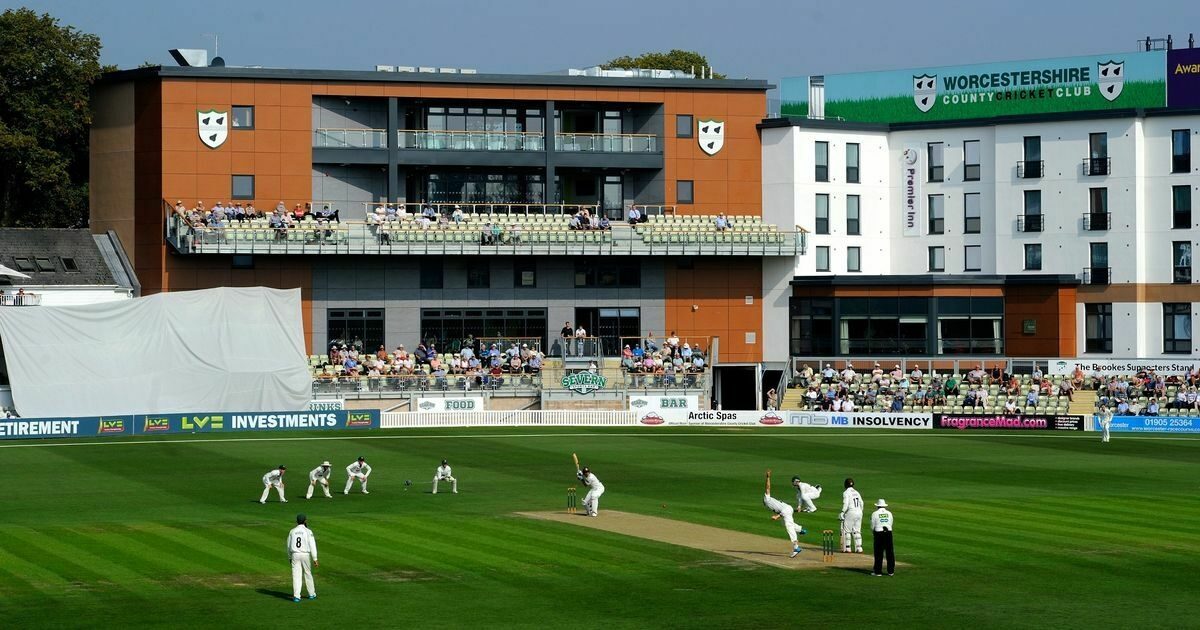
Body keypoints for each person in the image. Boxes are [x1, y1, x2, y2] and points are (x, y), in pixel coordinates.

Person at [764, 470, 805, 558]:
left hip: (786, 510)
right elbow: (786, 510)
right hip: (788, 508)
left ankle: (796, 548)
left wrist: (768, 477)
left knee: (789, 527)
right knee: (787, 523)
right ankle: (800, 530)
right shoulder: (770, 504)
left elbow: (768, 488)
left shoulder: (767, 500)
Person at [287, 513, 319, 602]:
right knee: (308, 573)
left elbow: (288, 545)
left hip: (295, 555)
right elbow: (312, 545)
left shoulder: (292, 531)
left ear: (297, 521)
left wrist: (289, 557)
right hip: (305, 555)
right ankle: (311, 594)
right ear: (305, 521)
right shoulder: (308, 531)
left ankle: (297, 596)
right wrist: (315, 558)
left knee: (296, 575)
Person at [870, 499, 895, 577]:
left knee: (878, 553)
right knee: (890, 552)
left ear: (877, 506)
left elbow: (872, 525)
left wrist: (873, 532)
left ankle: (878, 572)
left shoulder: (875, 513)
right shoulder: (889, 513)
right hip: (888, 533)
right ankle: (891, 571)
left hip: (879, 533)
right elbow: (891, 523)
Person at [839, 477, 864, 553]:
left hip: (851, 511)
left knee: (847, 531)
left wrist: (842, 512)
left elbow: (846, 503)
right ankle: (859, 548)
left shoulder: (846, 492)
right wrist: (860, 511)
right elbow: (862, 503)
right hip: (859, 512)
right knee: (857, 531)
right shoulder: (857, 492)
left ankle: (848, 548)